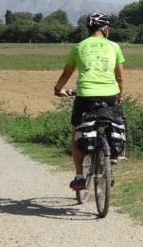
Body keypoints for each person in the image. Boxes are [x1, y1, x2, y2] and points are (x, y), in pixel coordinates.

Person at [53, 13, 125, 190]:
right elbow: (120, 77)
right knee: (112, 122)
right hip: (109, 94)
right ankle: (112, 157)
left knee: (77, 132)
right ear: (105, 29)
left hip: (85, 96)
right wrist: (120, 95)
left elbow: (66, 74)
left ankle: (79, 177)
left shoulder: (78, 47)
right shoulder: (114, 46)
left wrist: (58, 89)